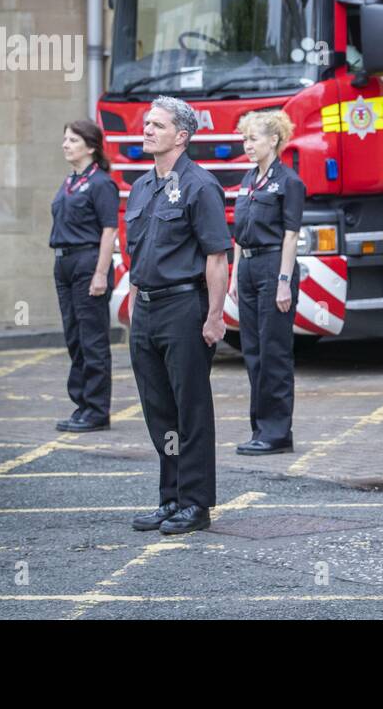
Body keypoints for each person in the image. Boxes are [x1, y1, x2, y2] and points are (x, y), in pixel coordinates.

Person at [124, 96, 231, 536]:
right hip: (146, 310)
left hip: (184, 309)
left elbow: (217, 256)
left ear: (181, 136)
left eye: (157, 125)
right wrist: (132, 303)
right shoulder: (142, 186)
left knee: (190, 410)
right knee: (158, 412)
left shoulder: (200, 186)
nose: (147, 130)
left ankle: (195, 503)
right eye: (147, 124)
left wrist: (214, 316)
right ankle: (170, 498)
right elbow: (136, 253)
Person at [231, 109, 305, 456]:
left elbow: (290, 235)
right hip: (247, 268)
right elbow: (237, 234)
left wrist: (283, 281)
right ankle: (260, 428)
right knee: (253, 352)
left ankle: (277, 433)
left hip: (274, 264)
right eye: (245, 138)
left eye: (253, 138)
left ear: (273, 140)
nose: (247, 145)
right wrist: (234, 276)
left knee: (273, 352)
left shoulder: (288, 181)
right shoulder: (248, 179)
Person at [50, 120, 119, 433]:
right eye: (65, 139)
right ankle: (81, 405)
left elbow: (109, 229)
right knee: (75, 337)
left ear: (91, 147)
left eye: (73, 140)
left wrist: (101, 273)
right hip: (64, 262)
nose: (65, 144)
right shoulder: (70, 180)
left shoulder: (101, 183)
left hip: (87, 261)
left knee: (92, 339)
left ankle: (96, 409)